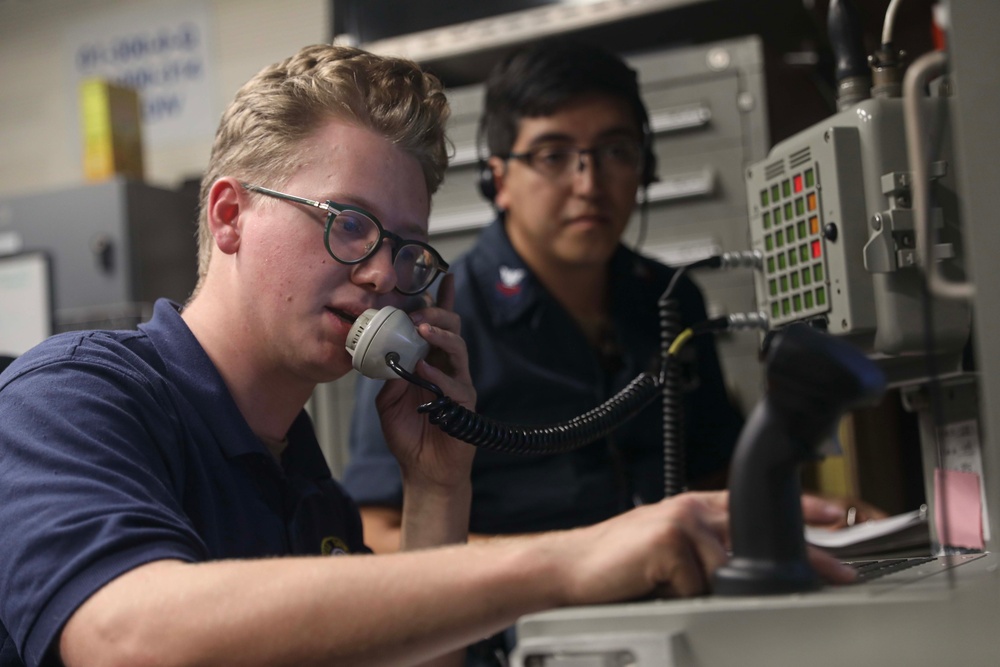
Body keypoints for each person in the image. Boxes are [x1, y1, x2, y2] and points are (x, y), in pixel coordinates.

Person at [0, 44, 855, 667]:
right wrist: (568, 560)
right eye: (347, 222)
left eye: (407, 248)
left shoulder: (306, 479)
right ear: (228, 214)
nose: (382, 274)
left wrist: (438, 488)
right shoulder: (71, 394)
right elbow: (126, 637)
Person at [344, 38, 747, 560]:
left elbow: (720, 474)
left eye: (616, 151)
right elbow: (375, 529)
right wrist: (574, 561)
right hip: (512, 621)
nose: (590, 183)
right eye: (554, 155)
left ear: (644, 168)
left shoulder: (672, 300)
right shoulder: (436, 324)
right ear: (499, 180)